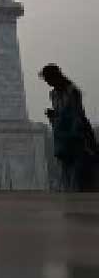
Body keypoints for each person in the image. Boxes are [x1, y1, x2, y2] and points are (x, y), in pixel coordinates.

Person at [41, 64, 99, 192]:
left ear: (55, 76)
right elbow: (61, 114)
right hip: (62, 137)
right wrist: (54, 115)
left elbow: (77, 114)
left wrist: (77, 135)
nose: (47, 82)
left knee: (80, 175)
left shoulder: (72, 91)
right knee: (67, 173)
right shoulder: (53, 94)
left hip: (76, 136)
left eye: (47, 79)